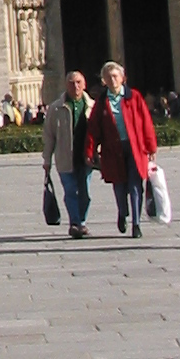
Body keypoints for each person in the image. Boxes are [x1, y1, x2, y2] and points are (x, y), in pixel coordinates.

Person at [87, 60, 157, 238]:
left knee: (135, 185)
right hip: (113, 149)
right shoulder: (102, 102)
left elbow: (146, 123)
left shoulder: (134, 97)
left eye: (115, 76)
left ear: (122, 77)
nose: (112, 80)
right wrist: (90, 150)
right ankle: (122, 212)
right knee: (118, 184)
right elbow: (94, 128)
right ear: (104, 81)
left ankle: (136, 223)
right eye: (108, 77)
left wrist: (151, 147)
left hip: (135, 148)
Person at [41, 70, 92, 238]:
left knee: (85, 194)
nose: (75, 86)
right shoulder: (56, 107)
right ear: (65, 85)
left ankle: (81, 220)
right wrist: (47, 159)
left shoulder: (91, 106)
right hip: (64, 158)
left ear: (84, 85)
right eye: (71, 83)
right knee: (70, 191)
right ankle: (75, 223)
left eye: (78, 82)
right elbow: (49, 136)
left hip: (86, 158)